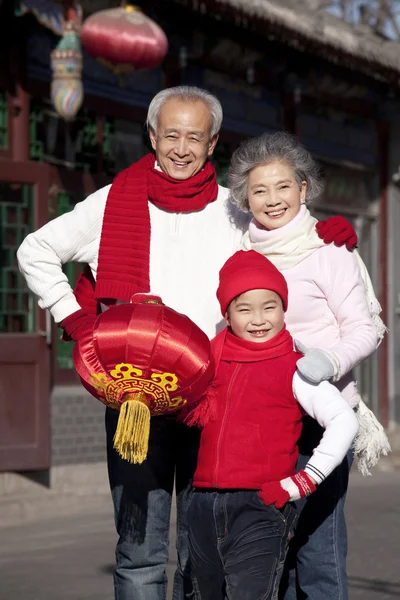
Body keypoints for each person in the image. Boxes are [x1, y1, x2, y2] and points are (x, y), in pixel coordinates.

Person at [16, 87, 355, 600]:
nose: (181, 148)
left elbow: (280, 245)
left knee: (207, 554)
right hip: (136, 398)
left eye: (194, 137)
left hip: (214, 400)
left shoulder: (233, 212)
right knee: (139, 555)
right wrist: (80, 324)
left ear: (212, 142)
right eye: (170, 134)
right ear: (152, 136)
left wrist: (320, 238)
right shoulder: (111, 202)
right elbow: (35, 250)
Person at [227, 131, 389, 600]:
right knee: (268, 555)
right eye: (259, 190)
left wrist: (329, 359)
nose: (273, 200)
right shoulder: (241, 254)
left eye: (283, 187)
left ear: (304, 189)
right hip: (259, 421)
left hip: (319, 421)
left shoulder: (330, 251)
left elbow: (366, 329)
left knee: (318, 555)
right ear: (244, 199)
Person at [186, 249, 359, 600]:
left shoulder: (296, 367)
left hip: (261, 506)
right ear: (228, 314)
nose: (258, 318)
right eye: (244, 308)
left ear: (283, 309)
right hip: (203, 503)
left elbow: (343, 421)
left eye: (270, 306)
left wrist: (301, 482)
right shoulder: (207, 360)